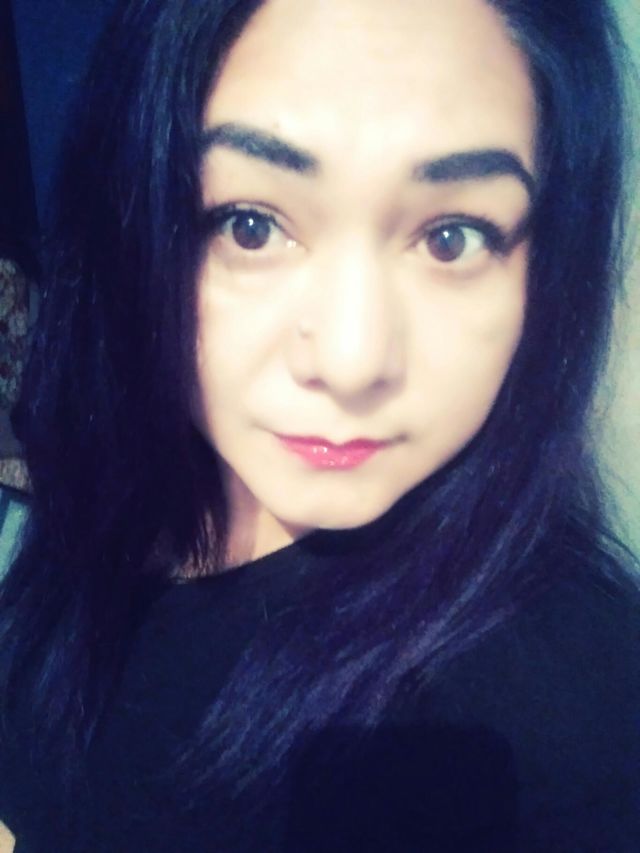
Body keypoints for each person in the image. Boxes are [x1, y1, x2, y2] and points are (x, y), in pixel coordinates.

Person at [1, 0, 639, 849]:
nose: (350, 361)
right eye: (250, 226)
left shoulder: (570, 718)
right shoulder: (103, 495)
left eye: (452, 238)